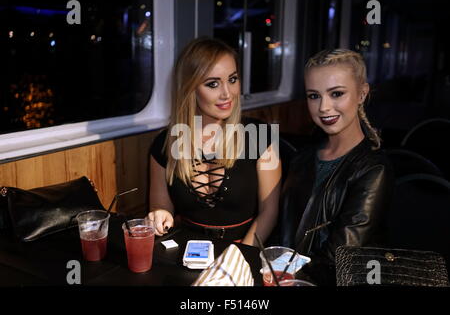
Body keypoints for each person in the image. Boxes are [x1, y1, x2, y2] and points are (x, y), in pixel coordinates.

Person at [148, 37, 281, 246]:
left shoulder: (260, 135)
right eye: (213, 84)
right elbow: (159, 205)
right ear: (190, 88)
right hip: (187, 250)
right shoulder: (164, 144)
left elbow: (269, 212)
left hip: (246, 248)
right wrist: (159, 215)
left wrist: (240, 258)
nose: (227, 93)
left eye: (233, 79)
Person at [280, 49, 394, 268]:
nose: (323, 107)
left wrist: (284, 271)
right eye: (314, 96)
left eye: (336, 94)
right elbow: (282, 230)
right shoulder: (301, 158)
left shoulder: (374, 169)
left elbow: (338, 259)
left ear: (362, 93)